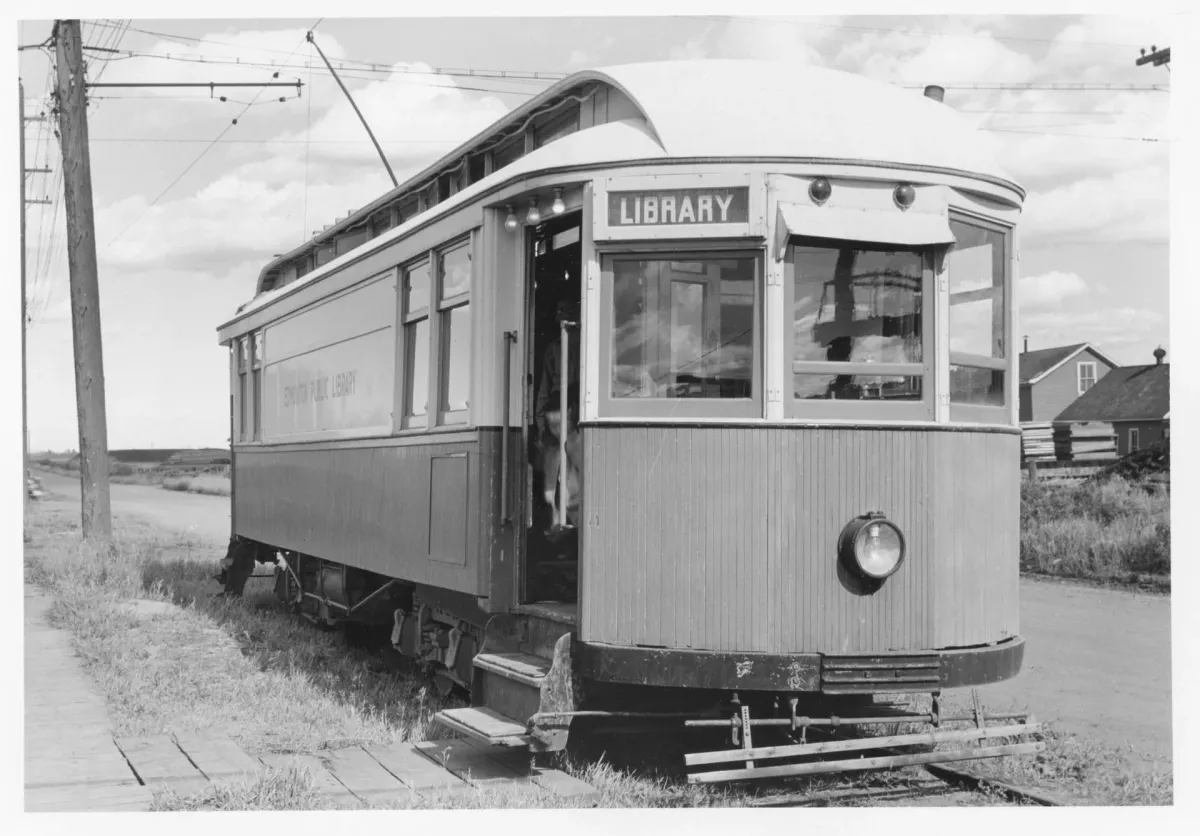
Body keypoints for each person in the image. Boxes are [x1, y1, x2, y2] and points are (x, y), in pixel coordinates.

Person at [535, 296, 581, 532]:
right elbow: (545, 388)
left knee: (559, 473)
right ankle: (566, 523)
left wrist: (542, 423)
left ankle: (559, 521)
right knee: (570, 473)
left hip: (561, 410)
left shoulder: (557, 347)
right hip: (566, 411)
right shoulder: (574, 344)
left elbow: (544, 389)